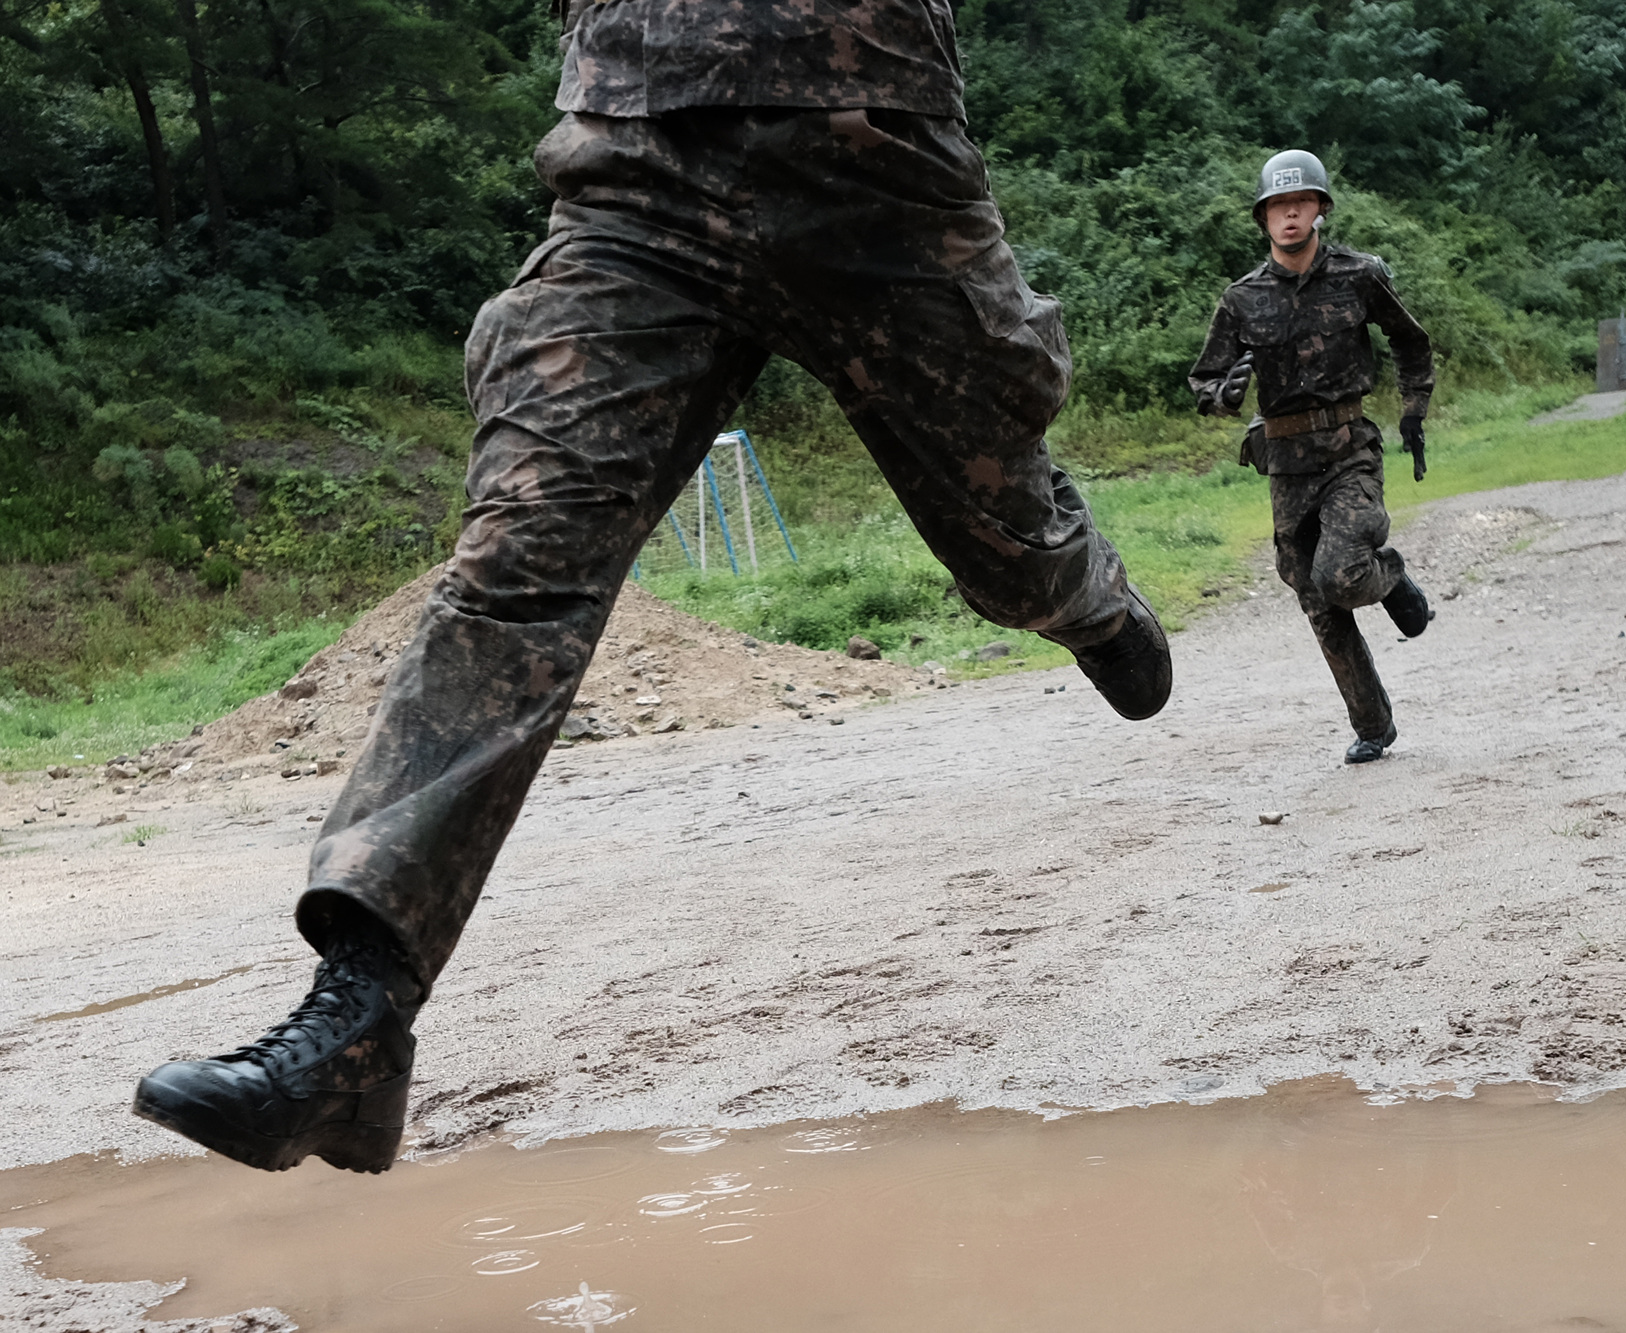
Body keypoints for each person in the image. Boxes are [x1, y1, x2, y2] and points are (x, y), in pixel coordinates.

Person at [131, 0, 1176, 1175]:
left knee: (1007, 549)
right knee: (516, 562)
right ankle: (353, 1028)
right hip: (633, 164)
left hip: (876, 156)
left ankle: (1081, 593)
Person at [1188, 150, 1435, 765]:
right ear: (1264, 218)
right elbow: (1205, 383)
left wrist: (1413, 408)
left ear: (1320, 209)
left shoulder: (1359, 274)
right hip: (1287, 463)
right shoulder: (1241, 299)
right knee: (1315, 597)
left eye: (1300, 203)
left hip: (1351, 450)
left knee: (1343, 573)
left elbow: (1410, 340)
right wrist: (1226, 394)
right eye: (1277, 205)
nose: (1289, 214)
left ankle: (1392, 577)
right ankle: (1373, 726)